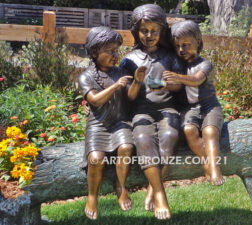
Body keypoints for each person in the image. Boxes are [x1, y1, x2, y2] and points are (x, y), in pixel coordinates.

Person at [120, 4, 184, 220]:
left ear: (162, 31)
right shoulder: (129, 60)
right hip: (141, 111)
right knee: (142, 138)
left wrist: (167, 84)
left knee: (169, 136)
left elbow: (180, 85)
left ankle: (151, 188)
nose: (149, 35)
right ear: (136, 32)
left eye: (154, 31)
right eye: (144, 31)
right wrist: (137, 82)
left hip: (167, 109)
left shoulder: (169, 56)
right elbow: (128, 96)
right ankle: (161, 195)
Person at [78, 26, 144, 220]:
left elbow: (131, 96)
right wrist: (116, 86)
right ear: (94, 52)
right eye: (110, 51)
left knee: (126, 147)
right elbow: (95, 100)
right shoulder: (86, 77)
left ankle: (121, 186)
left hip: (119, 122)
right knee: (96, 159)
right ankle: (92, 196)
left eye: (117, 51)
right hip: (98, 124)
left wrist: (137, 82)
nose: (115, 55)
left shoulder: (120, 72)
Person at [163, 20, 225, 186]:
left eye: (185, 45)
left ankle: (215, 168)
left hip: (209, 106)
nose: (181, 50)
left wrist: (177, 77)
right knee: (189, 129)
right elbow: (174, 85)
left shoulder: (205, 64)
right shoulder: (180, 67)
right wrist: (160, 84)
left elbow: (197, 80)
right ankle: (206, 163)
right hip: (191, 109)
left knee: (210, 132)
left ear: (197, 42)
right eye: (177, 46)